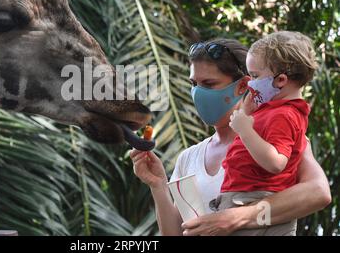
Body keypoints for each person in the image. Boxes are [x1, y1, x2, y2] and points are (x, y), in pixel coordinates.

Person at [130, 37, 331, 236]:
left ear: (243, 86)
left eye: (209, 84)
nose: (198, 93)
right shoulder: (188, 158)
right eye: (194, 83)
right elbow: (177, 233)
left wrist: (236, 218)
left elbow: (319, 193)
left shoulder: (275, 139)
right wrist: (158, 186)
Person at [216, 31, 317, 235]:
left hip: (254, 199)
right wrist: (247, 113)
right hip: (246, 198)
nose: (250, 82)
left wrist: (245, 130)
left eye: (254, 76)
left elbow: (276, 162)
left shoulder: (285, 115)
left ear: (280, 80)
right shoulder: (272, 109)